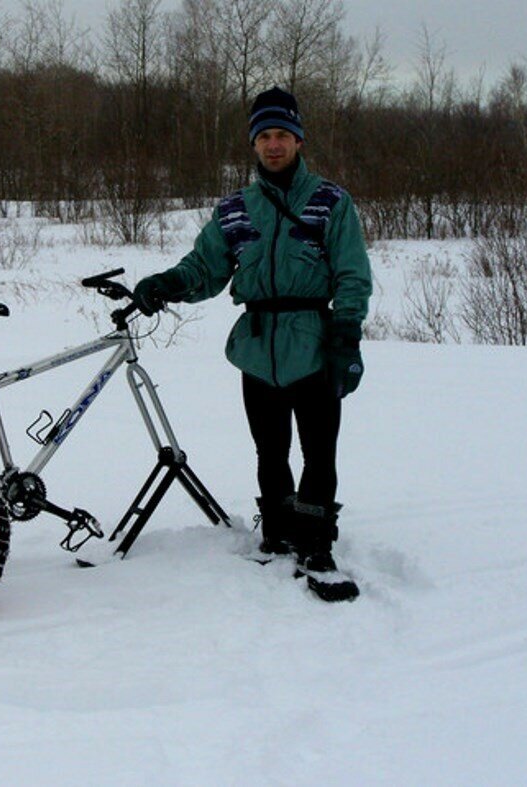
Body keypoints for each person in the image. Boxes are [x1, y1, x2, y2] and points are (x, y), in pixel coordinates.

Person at [132, 86, 372, 603]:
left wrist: (346, 338)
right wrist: (167, 284)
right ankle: (278, 529)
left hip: (312, 342)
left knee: (319, 449)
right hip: (256, 345)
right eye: (264, 136)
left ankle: (315, 541)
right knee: (270, 448)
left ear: (299, 139)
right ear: (253, 144)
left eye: (282, 134)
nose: (274, 144)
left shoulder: (331, 202)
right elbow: (206, 269)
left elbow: (353, 274)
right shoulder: (235, 209)